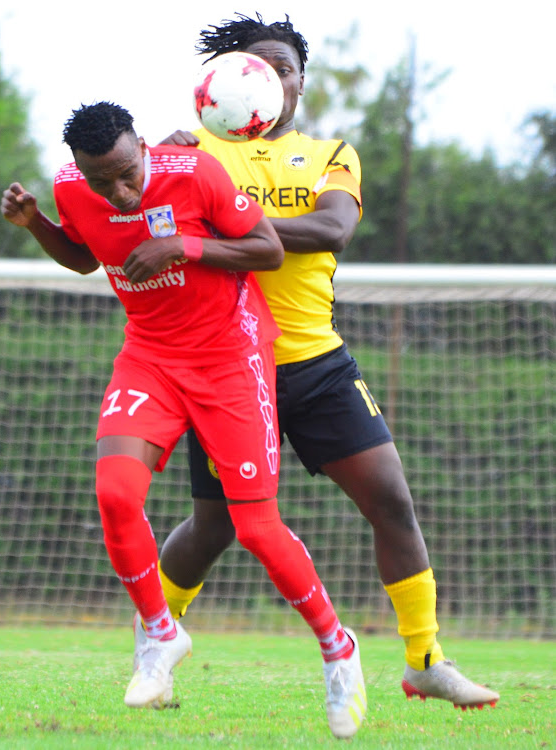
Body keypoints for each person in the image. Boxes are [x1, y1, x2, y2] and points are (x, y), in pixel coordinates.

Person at [158, 13, 500, 711]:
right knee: (215, 525)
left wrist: (230, 222)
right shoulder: (191, 154)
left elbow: (332, 228)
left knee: (392, 502)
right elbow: (160, 229)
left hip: (316, 363)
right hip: (225, 369)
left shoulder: (329, 153)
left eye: (282, 67)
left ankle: (424, 659)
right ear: (226, 80)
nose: (271, 78)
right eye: (255, 66)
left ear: (300, 83)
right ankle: (155, 639)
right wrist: (164, 171)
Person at [0, 101, 366, 738]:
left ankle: (338, 649)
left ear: (141, 145)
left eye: (127, 173)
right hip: (149, 355)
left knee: (254, 528)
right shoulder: (69, 186)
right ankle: (160, 635)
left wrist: (182, 244)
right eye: (101, 180)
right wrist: (36, 223)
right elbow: (85, 257)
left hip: (230, 355)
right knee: (115, 493)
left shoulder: (195, 173)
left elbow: (268, 249)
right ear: (79, 171)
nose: (119, 190)